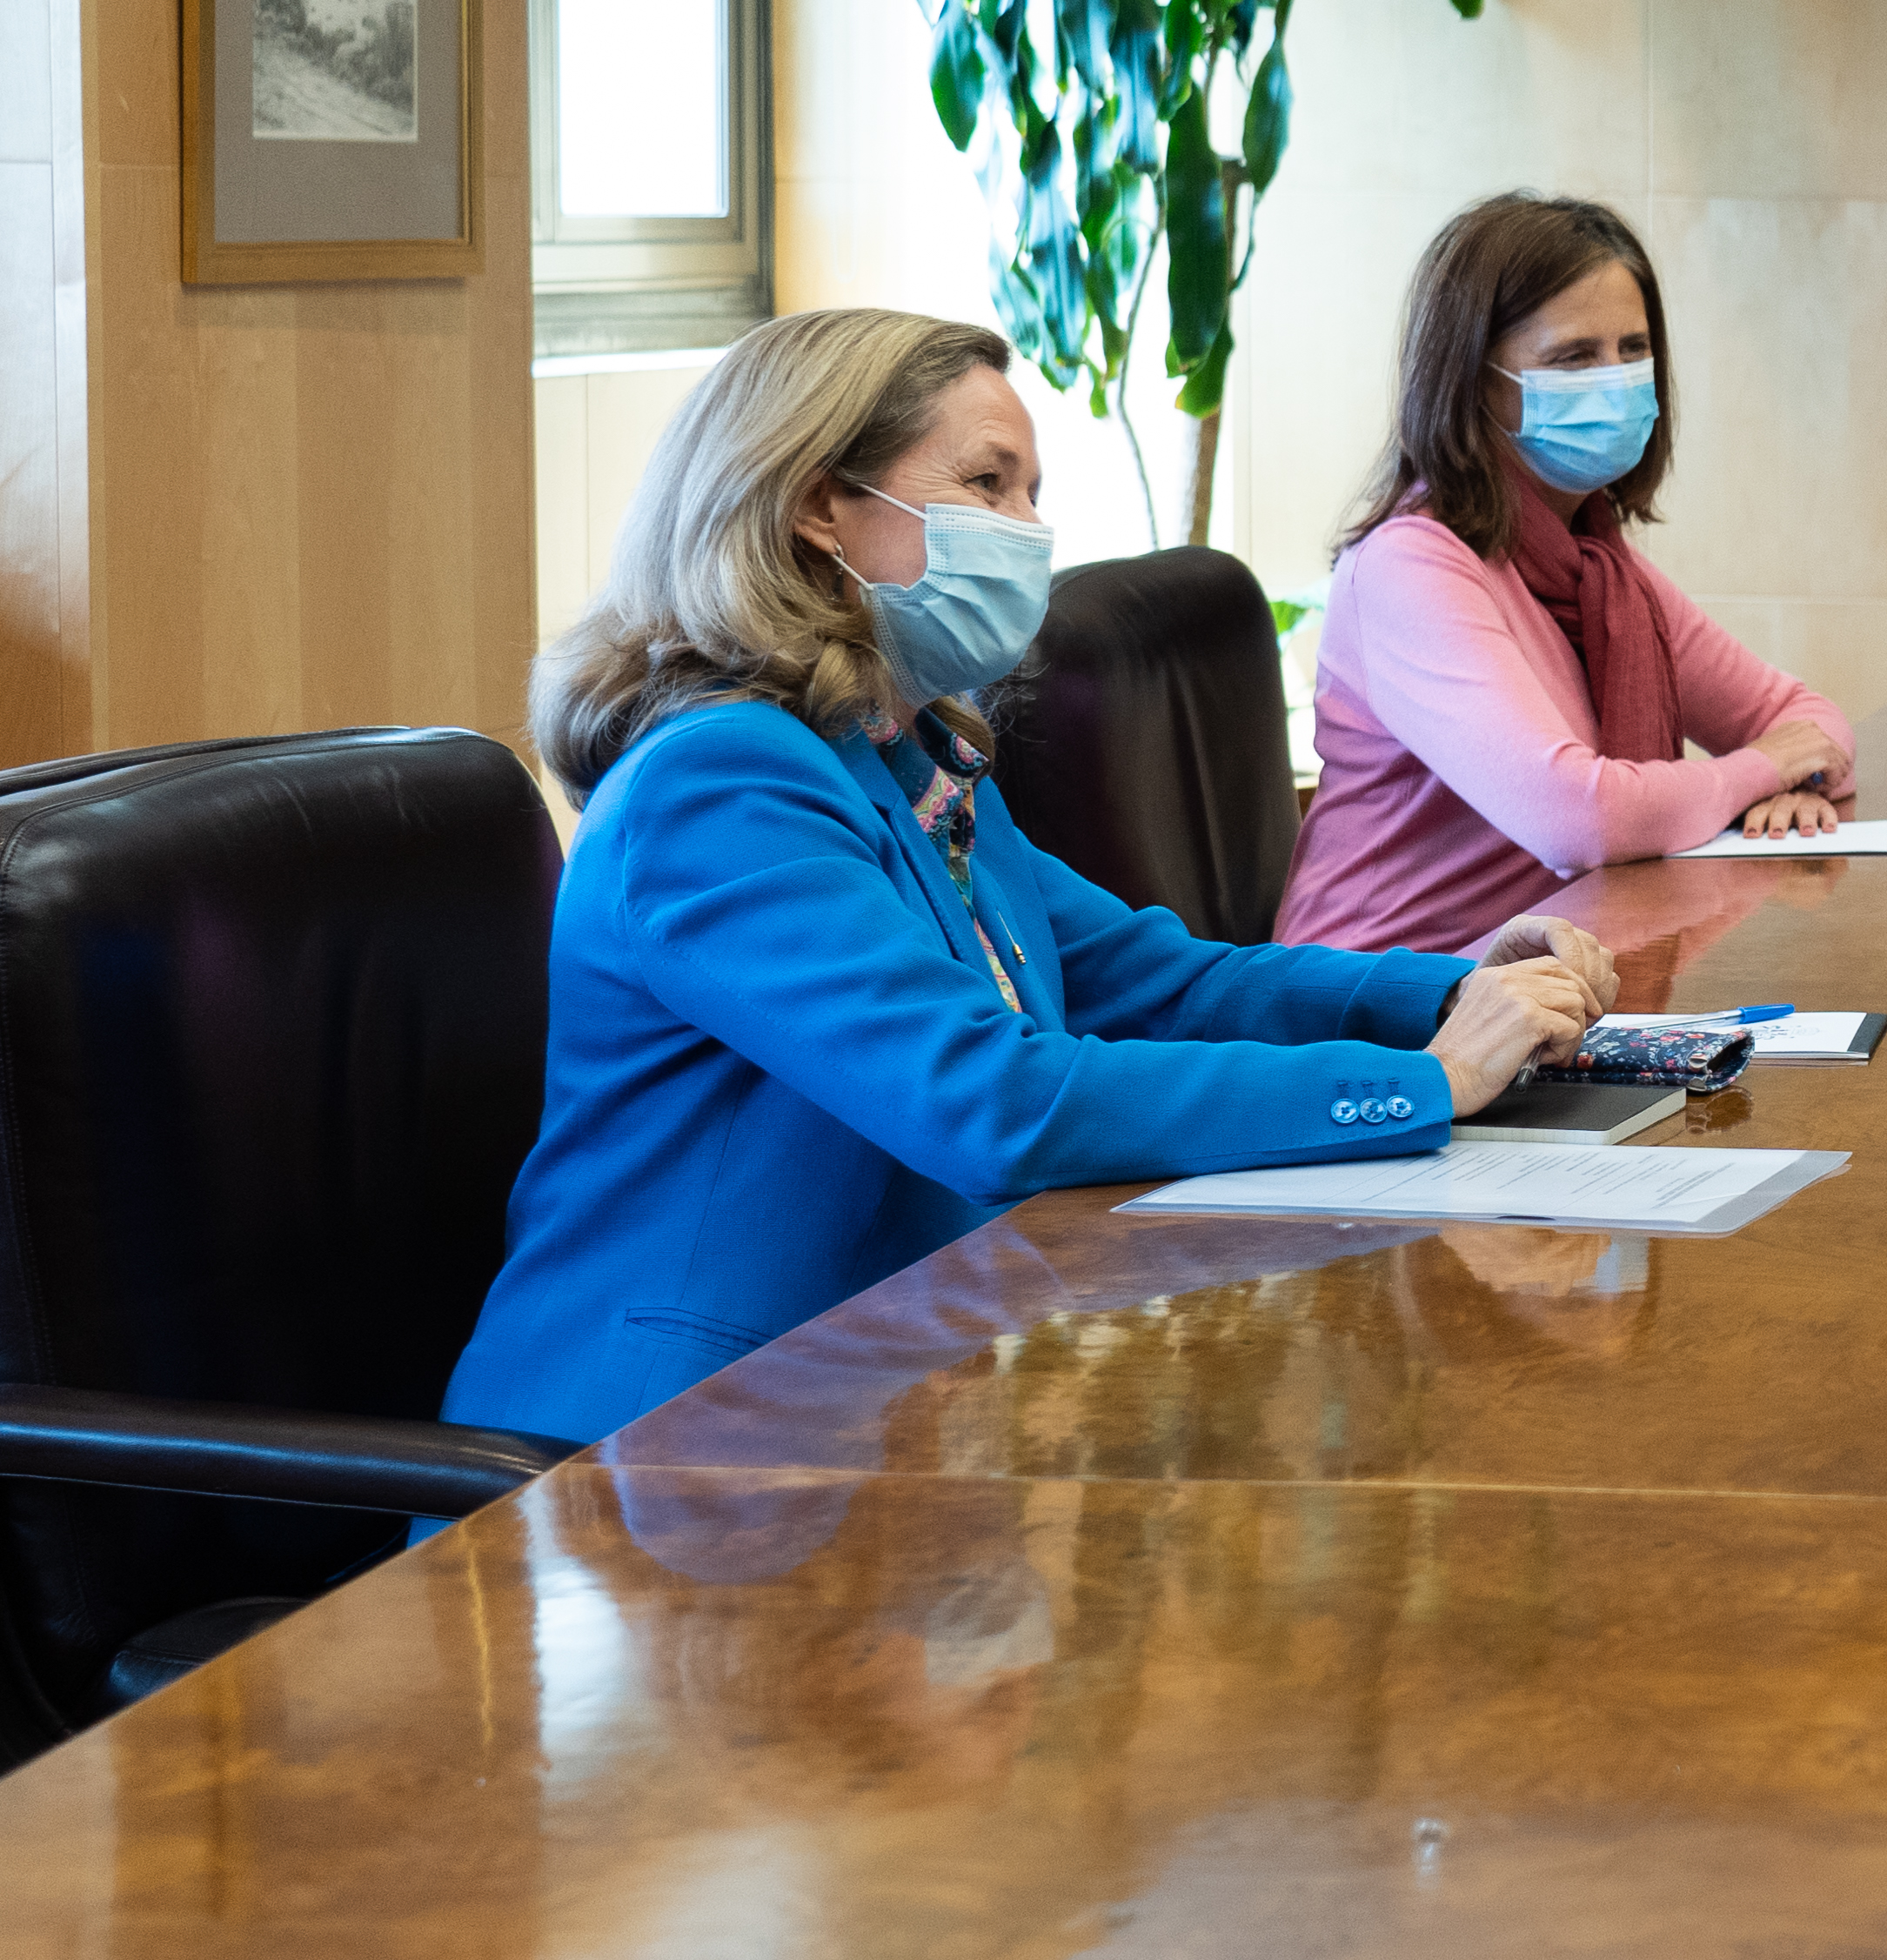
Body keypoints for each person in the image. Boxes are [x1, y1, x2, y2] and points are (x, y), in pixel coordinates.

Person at [450, 311, 1613, 1448]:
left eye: (1032, 493)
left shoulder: (903, 755)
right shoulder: (719, 788)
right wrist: (1419, 1088)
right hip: (659, 1457)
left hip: (867, 1404)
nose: (1027, 530)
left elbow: (1162, 986)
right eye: (988, 485)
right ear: (817, 505)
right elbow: (990, 1101)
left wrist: (1444, 994)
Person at [1277, 193, 1857, 953]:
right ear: (1476, 382)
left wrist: (1797, 783)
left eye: (1633, 348)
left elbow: (1811, 723)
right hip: (1388, 1012)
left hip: (1548, 985)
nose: (1615, 379)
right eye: (1574, 357)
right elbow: (1580, 819)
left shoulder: (1597, 571)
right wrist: (1760, 773)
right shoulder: (1410, 565)